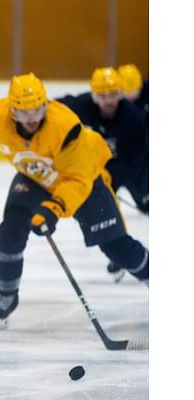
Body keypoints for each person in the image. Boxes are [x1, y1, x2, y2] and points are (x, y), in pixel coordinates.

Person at [0, 72, 149, 330]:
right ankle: (7, 295)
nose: (31, 118)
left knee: (117, 248)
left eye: (37, 110)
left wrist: (53, 210)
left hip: (83, 179)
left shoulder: (65, 127)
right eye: (23, 112)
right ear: (11, 109)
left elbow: (77, 180)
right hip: (35, 177)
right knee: (10, 229)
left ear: (45, 105)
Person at [57, 67, 149, 281]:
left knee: (148, 206)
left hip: (134, 170)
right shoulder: (82, 105)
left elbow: (133, 160)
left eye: (112, 95)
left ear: (119, 94)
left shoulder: (134, 118)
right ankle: (122, 254)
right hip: (99, 169)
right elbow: (53, 109)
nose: (108, 101)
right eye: (102, 96)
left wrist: (112, 179)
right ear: (94, 95)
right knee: (110, 208)